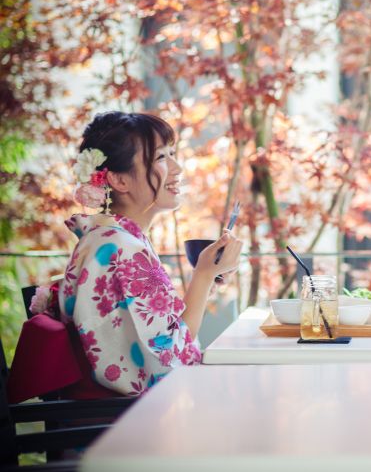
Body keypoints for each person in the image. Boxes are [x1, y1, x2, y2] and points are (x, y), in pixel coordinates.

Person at [33, 111, 243, 396]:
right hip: (134, 422)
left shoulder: (113, 240)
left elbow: (164, 334)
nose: (177, 167)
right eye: (161, 158)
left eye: (172, 154)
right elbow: (174, 353)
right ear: (119, 180)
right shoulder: (122, 249)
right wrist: (204, 274)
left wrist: (208, 275)